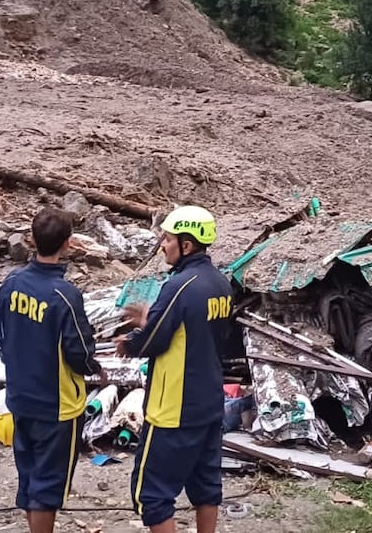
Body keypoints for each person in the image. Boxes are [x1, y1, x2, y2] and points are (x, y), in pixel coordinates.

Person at [116, 205, 233, 533]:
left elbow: (152, 341)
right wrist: (151, 319)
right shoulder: (220, 284)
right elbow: (195, 330)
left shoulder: (179, 286)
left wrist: (129, 342)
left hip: (173, 410)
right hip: (209, 404)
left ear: (187, 244)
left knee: (152, 496)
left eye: (167, 238)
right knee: (206, 486)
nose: (162, 245)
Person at [0, 207, 102, 533]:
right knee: (48, 486)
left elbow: (0, 334)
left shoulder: (11, 283)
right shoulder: (64, 296)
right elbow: (79, 352)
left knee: (29, 476)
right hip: (58, 408)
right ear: (68, 244)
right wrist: (94, 368)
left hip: (19, 398)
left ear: (32, 239)